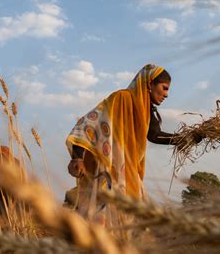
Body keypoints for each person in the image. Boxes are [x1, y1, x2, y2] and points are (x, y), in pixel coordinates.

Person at [65, 64, 202, 224]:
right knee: (102, 218)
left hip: (130, 172)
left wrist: (188, 138)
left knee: (132, 220)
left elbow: (155, 135)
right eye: (164, 88)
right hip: (110, 169)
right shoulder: (121, 98)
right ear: (150, 84)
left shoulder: (147, 111)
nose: (166, 94)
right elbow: (89, 124)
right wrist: (78, 158)